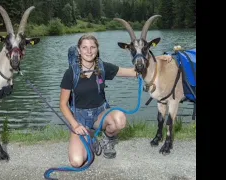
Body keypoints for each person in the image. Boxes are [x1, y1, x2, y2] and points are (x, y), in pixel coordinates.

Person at [59, 34, 172, 168]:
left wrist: (159, 59)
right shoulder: (71, 72)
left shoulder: (102, 67)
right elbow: (63, 104)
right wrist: (75, 125)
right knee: (77, 162)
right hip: (80, 120)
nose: (89, 51)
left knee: (119, 119)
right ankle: (89, 137)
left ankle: (108, 139)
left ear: (97, 49)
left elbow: (133, 72)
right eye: (85, 47)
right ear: (79, 50)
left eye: (92, 47)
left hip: (100, 115)